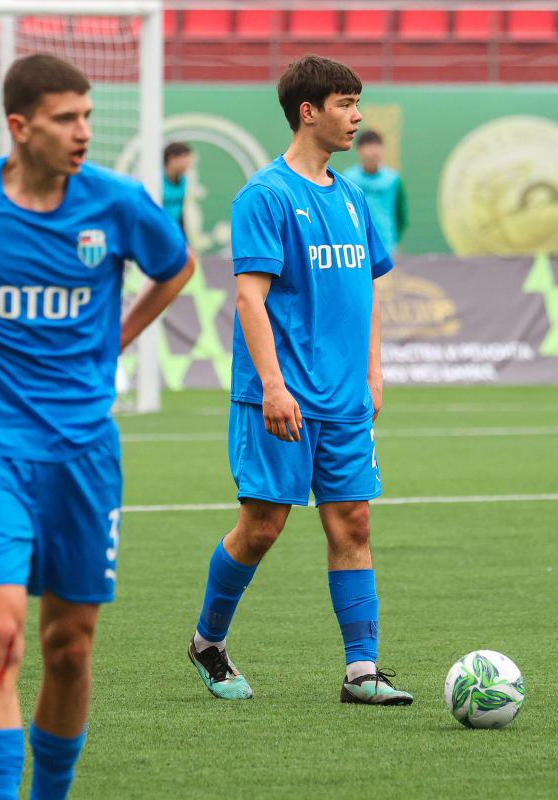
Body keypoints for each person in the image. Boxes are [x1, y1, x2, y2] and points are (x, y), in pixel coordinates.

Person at [0, 54, 195, 800]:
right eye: (65, 119)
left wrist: (117, 337)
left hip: (83, 454)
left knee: (68, 648)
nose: (83, 132)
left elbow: (175, 265)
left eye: (87, 116)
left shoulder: (117, 202)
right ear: (19, 127)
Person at [186, 54, 412, 706]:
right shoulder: (265, 196)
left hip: (345, 398)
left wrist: (372, 373)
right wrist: (273, 385)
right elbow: (249, 298)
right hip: (281, 396)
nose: (358, 116)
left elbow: (369, 291)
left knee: (354, 524)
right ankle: (208, 640)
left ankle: (361, 670)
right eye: (346, 104)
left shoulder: (355, 198)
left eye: (358, 103)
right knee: (262, 526)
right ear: (308, 112)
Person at [341, 129, 408, 253]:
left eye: (377, 146)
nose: (374, 152)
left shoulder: (393, 180)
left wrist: (393, 240)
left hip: (386, 247)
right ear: (359, 150)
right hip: (357, 247)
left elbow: (401, 216)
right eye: (369, 146)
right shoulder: (348, 179)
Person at [162, 141, 192, 231]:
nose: (188, 164)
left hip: (173, 231)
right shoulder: (155, 182)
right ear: (172, 159)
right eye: (185, 158)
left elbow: (181, 214)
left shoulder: (184, 182)